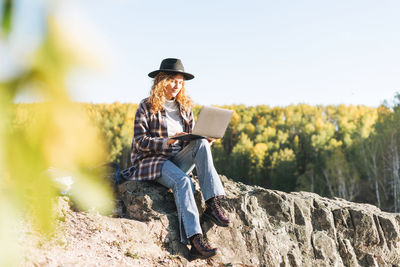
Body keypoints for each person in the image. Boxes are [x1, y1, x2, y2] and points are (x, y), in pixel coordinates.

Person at [121, 58, 230, 259]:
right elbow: (139, 141)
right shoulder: (146, 106)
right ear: (161, 81)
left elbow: (192, 138)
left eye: (180, 82)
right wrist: (167, 141)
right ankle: (195, 238)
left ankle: (213, 203)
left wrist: (204, 139)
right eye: (172, 81)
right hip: (153, 161)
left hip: (178, 159)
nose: (176, 86)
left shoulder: (185, 107)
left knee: (202, 143)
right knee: (183, 181)